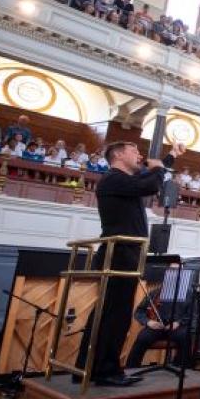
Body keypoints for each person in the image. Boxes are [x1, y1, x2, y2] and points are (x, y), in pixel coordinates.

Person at [74, 140, 185, 386]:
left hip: (126, 254)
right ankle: (104, 371)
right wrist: (158, 168)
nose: (139, 154)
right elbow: (148, 184)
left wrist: (169, 158)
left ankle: (89, 367)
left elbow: (146, 178)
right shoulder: (113, 178)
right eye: (134, 151)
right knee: (114, 316)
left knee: (110, 314)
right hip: (119, 253)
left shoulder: (124, 181)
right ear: (119, 155)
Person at [125, 269, 189, 369]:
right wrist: (148, 322)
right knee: (143, 337)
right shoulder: (155, 293)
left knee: (185, 336)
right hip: (156, 327)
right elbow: (139, 311)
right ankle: (131, 368)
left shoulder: (187, 294)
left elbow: (191, 314)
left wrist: (178, 322)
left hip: (176, 328)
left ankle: (179, 367)